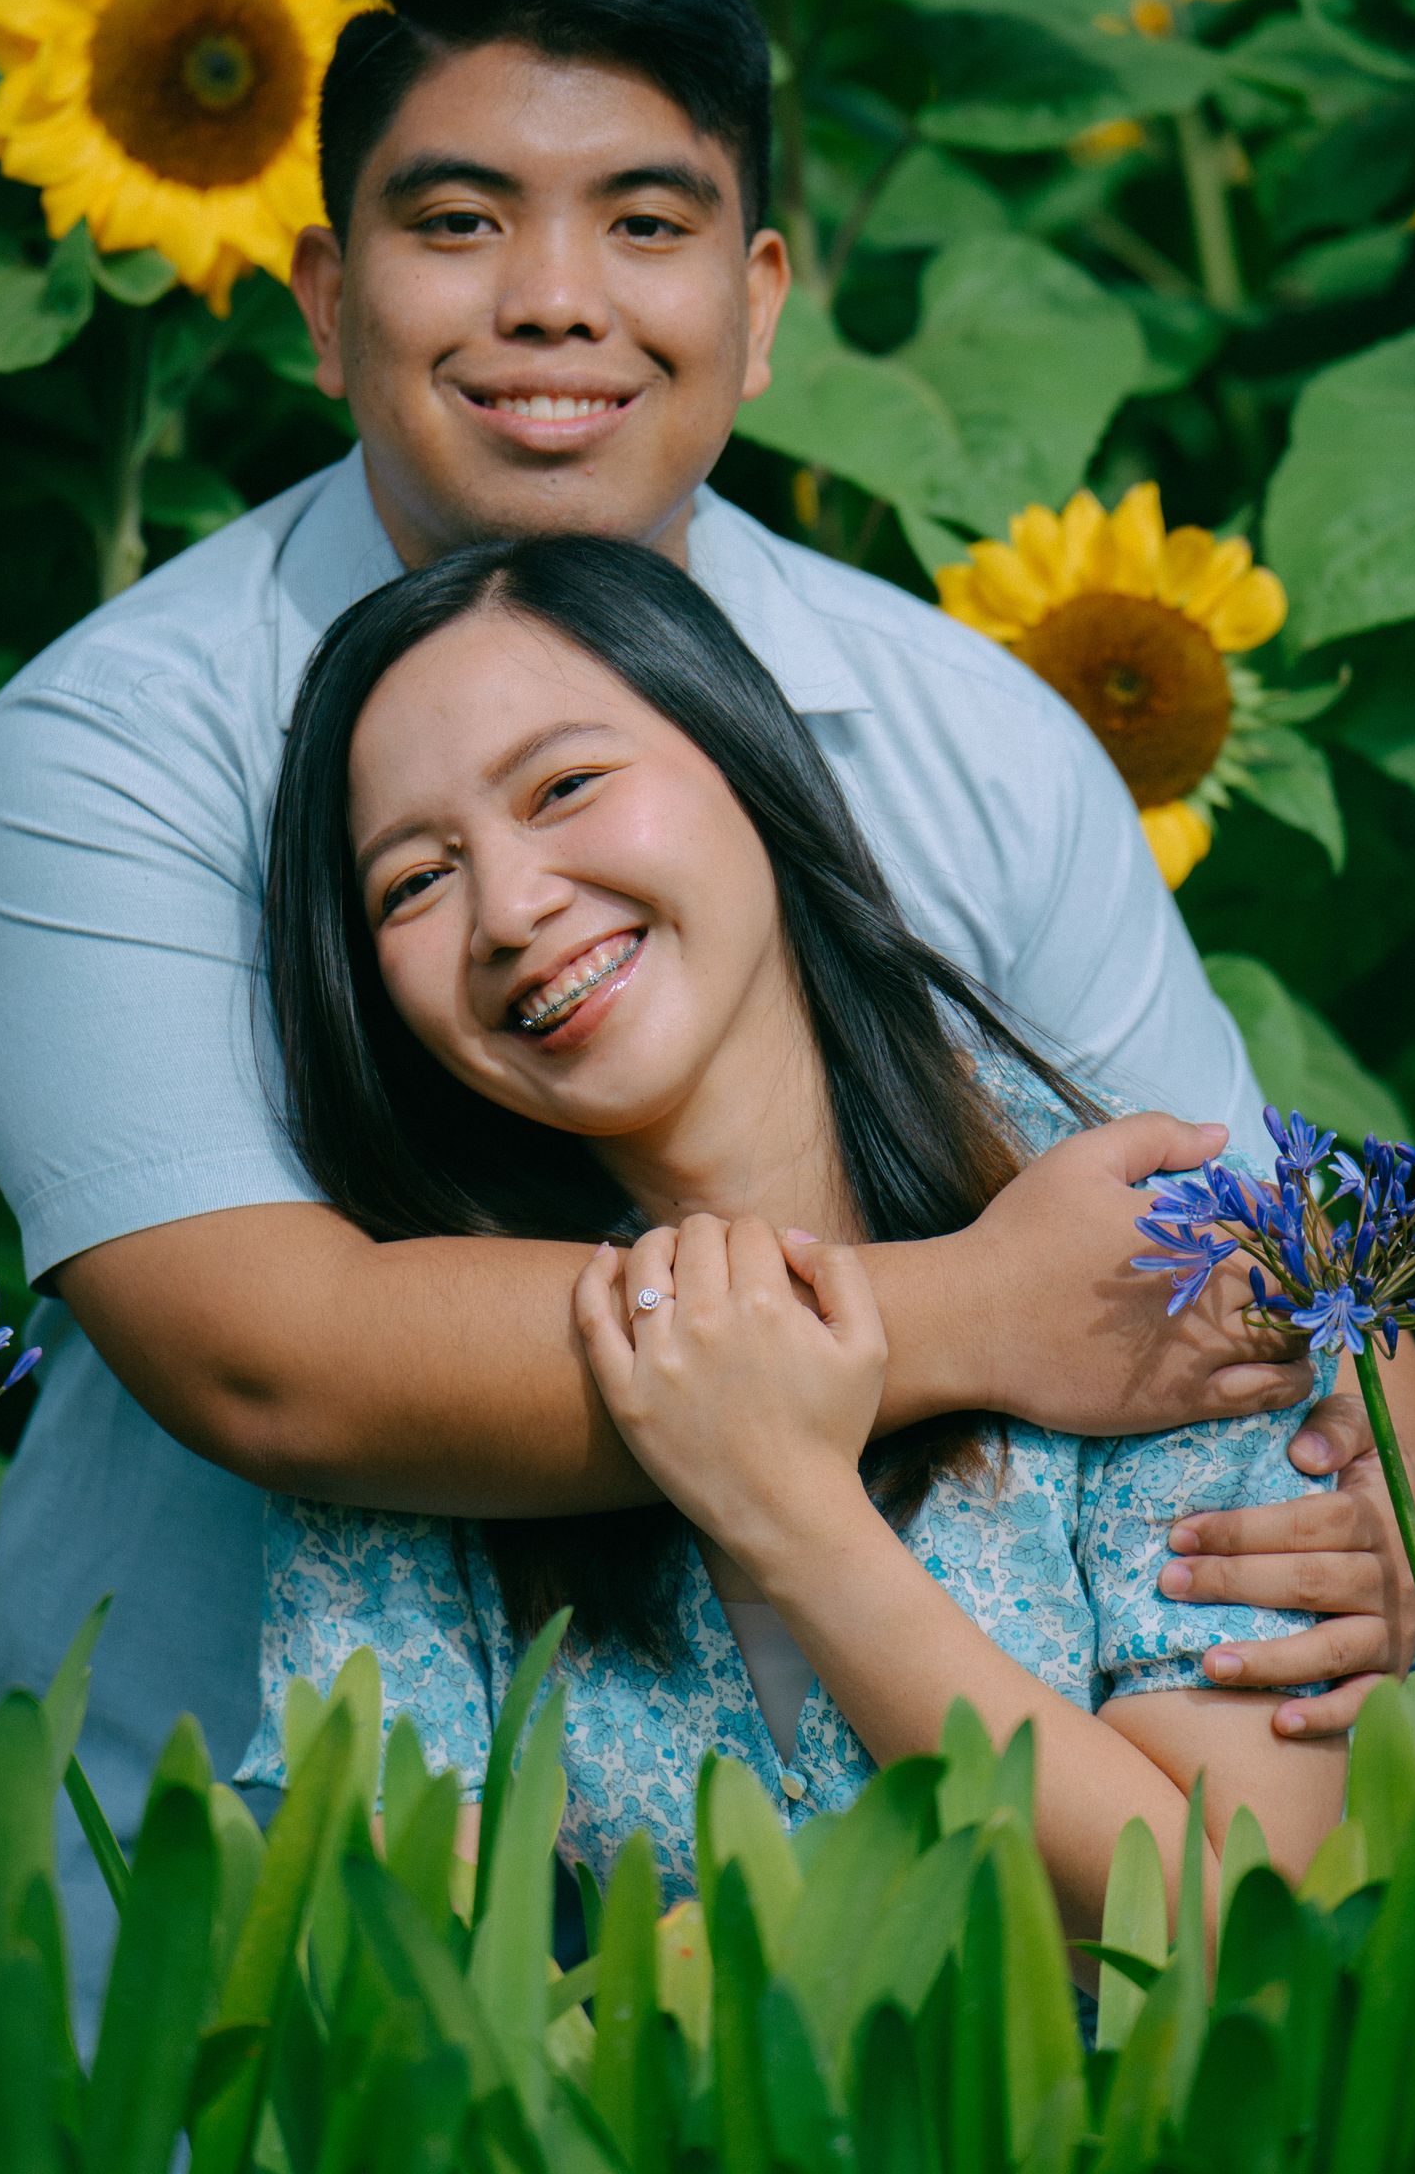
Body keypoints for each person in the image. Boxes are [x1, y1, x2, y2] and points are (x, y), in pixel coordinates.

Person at [0, 0, 1415, 2006]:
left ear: (759, 302)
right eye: (458, 222)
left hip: (1042, 1996)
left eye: (644, 224)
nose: (555, 301)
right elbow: (279, 1359)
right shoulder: (119, 745)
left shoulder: (969, 736)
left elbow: (1226, 1240)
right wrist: (970, 1316)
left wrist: (1375, 1468)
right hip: (274, 1940)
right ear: (325, 301)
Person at [242, 535, 1345, 1922]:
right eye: (413, 881)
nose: (509, 911)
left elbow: (1237, 1933)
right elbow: (402, 1971)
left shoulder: (1149, 1245)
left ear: (747, 760)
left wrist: (788, 1511)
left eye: (566, 787)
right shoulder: (416, 1400)